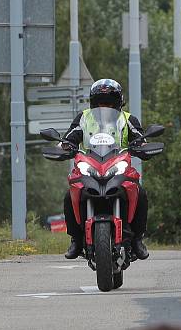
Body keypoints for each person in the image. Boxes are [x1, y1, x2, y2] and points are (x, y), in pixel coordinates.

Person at [61, 78, 149, 261]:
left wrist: (142, 145)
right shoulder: (84, 118)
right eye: (101, 102)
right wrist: (66, 145)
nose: (104, 106)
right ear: (94, 103)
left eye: (109, 102)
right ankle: (76, 239)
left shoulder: (128, 120)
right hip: (89, 165)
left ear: (118, 103)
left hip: (119, 165)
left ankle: (137, 239)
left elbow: (140, 138)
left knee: (141, 193)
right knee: (69, 196)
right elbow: (70, 137)